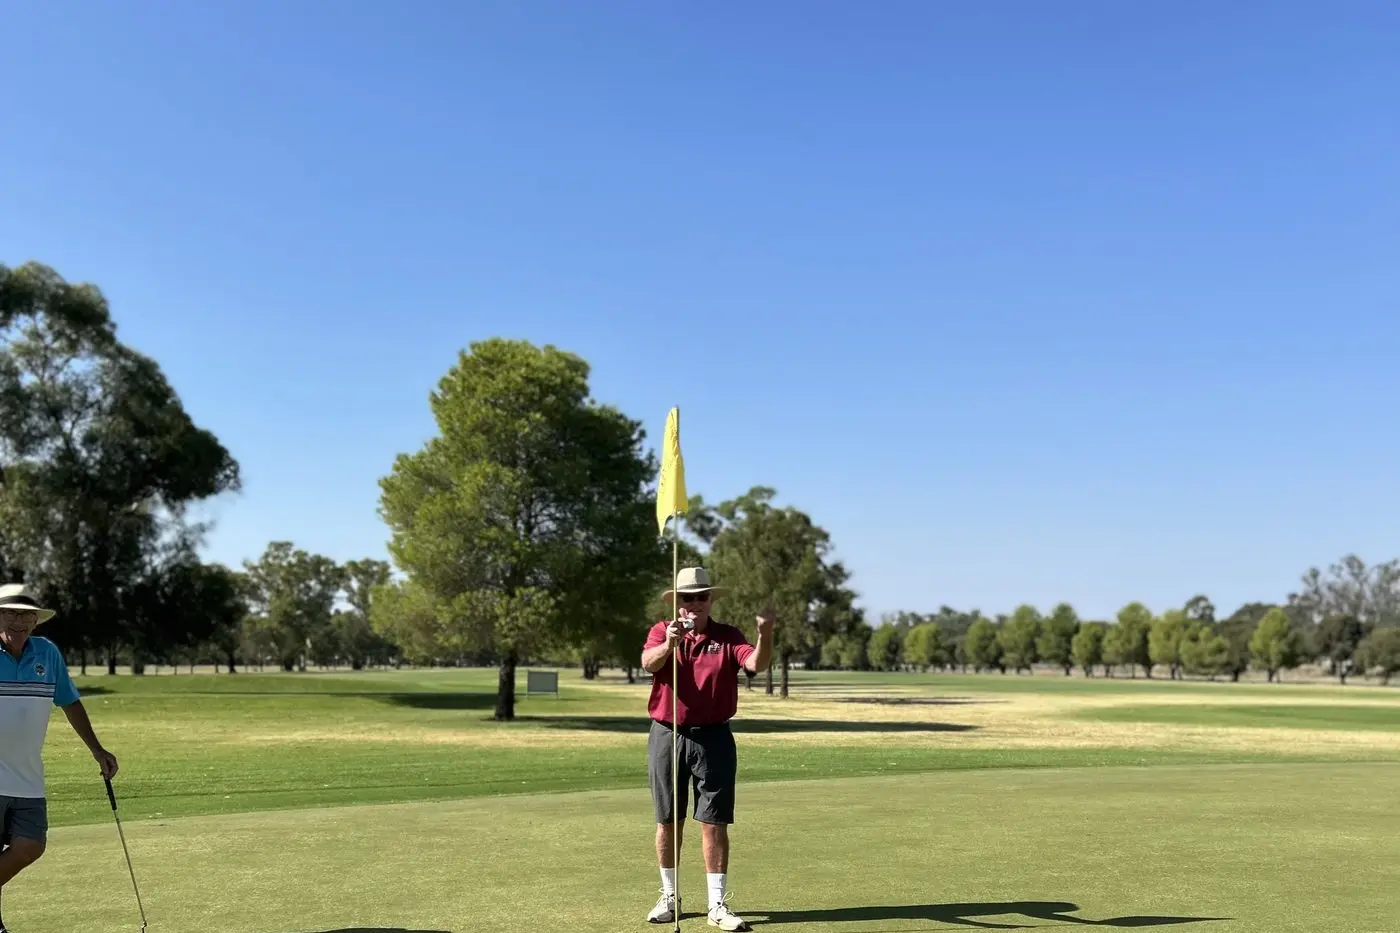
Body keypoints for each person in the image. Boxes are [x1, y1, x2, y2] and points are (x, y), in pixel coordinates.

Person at [640, 567, 773, 931]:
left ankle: (717, 904)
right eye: (687, 598)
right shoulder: (661, 631)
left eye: (701, 597)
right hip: (668, 734)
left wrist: (765, 632)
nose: (694, 603)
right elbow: (648, 663)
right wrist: (670, 643)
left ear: (711, 600)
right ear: (677, 602)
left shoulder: (727, 636)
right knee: (668, 819)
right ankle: (669, 896)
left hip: (713, 738)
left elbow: (755, 664)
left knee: (714, 822)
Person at [0, 584, 118, 933]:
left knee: (30, 846)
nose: (18, 621)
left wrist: (98, 749)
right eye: (10, 613)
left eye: (26, 614)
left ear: (36, 620)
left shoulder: (47, 655)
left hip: (27, 777)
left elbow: (69, 701)